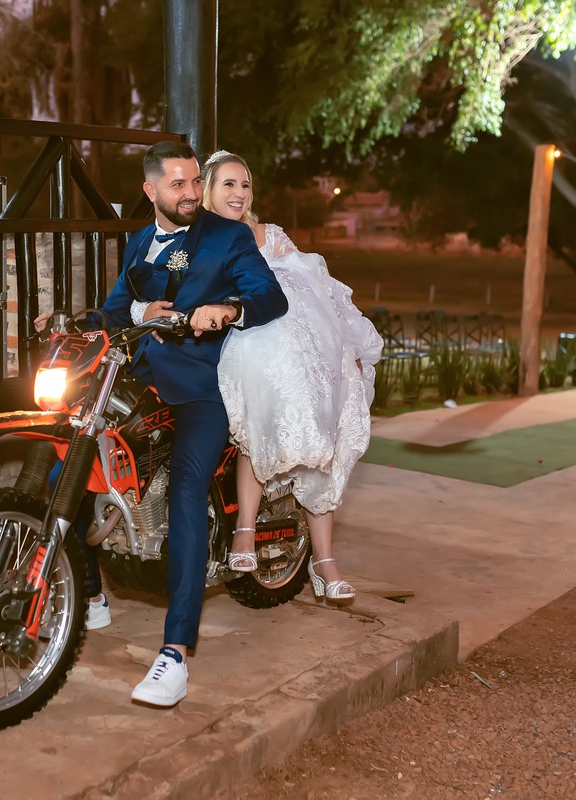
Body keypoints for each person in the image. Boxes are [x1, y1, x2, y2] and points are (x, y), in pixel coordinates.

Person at [38, 141, 288, 708]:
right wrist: (73, 320)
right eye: (177, 184)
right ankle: (90, 595)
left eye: (195, 181)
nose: (191, 193)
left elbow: (269, 296)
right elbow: (116, 308)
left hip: (202, 385)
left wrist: (229, 310)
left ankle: (175, 654)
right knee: (67, 468)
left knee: (184, 491)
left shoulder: (227, 237)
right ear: (150, 191)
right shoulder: (139, 241)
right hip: (141, 378)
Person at [139, 150, 382, 604]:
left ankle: (323, 558)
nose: (239, 193)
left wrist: (345, 345)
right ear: (205, 190)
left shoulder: (268, 235)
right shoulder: (190, 241)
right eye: (228, 184)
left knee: (321, 416)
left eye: (245, 184)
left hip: (291, 345)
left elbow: (317, 290)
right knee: (258, 402)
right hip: (236, 346)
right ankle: (244, 531)